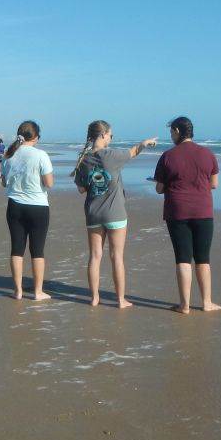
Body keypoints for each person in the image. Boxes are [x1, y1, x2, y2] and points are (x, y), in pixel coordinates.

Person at [72, 121, 158, 308]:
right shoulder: (111, 155)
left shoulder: (83, 159)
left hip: (93, 213)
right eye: (111, 135)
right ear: (103, 135)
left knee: (95, 256)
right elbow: (134, 152)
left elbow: (81, 188)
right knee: (116, 257)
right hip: (115, 213)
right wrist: (145, 142)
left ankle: (94, 298)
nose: (111, 138)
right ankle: (120, 300)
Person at [154, 116, 221, 313]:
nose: (171, 136)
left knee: (183, 258)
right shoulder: (207, 154)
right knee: (203, 258)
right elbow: (214, 184)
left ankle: (184, 305)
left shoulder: (168, 156)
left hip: (177, 211)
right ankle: (206, 303)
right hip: (203, 210)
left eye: (171, 133)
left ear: (177, 130)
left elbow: (159, 188)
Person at [1, 120, 54, 300]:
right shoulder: (40, 155)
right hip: (38, 206)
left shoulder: (8, 154)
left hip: (15, 206)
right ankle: (38, 292)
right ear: (36, 137)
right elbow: (49, 183)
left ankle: (18, 291)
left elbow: (3, 182)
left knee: (17, 249)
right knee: (37, 250)